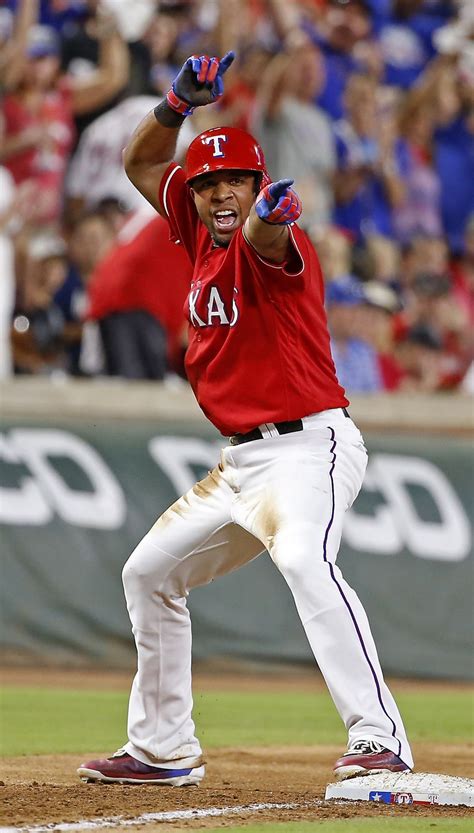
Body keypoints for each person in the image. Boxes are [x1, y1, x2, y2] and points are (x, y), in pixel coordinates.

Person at [78, 49, 413, 787]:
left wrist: (267, 216)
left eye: (237, 179)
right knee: (149, 573)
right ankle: (164, 748)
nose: (222, 192)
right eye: (209, 182)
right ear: (193, 194)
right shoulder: (195, 232)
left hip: (310, 444)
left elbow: (267, 237)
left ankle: (379, 734)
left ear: (258, 184)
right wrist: (174, 103)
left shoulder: (271, 240)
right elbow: (141, 163)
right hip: (241, 465)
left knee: (302, 557)